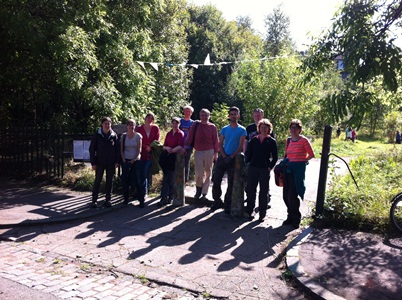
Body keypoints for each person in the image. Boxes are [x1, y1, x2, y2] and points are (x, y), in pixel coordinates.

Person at [211, 106, 246, 213]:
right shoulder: (224, 129)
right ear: (229, 116)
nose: (233, 116)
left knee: (231, 182)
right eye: (231, 114)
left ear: (238, 116)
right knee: (216, 180)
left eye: (235, 114)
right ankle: (217, 201)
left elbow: (241, 145)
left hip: (234, 159)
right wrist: (224, 156)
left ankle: (227, 204)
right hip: (223, 157)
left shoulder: (242, 130)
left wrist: (231, 157)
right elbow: (220, 144)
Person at [282, 119, 315, 229]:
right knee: (286, 195)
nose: (294, 129)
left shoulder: (304, 140)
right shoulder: (289, 140)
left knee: (293, 195)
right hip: (288, 170)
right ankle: (290, 215)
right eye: (292, 127)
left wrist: (302, 161)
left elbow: (311, 154)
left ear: (300, 129)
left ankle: (296, 218)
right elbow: (286, 155)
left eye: (296, 127)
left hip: (297, 172)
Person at [245, 119, 278, 222]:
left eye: (266, 127)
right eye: (262, 127)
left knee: (263, 192)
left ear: (269, 129)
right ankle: (250, 211)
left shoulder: (271, 141)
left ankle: (262, 213)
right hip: (253, 168)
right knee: (251, 190)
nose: (263, 129)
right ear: (259, 128)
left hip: (264, 169)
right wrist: (248, 163)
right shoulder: (254, 140)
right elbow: (248, 153)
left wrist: (270, 167)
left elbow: (275, 157)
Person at [185, 108, 219, 200]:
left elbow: (216, 140)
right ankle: (198, 190)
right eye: (202, 115)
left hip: (209, 151)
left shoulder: (212, 127)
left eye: (206, 115)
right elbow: (190, 136)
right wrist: (185, 146)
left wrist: (216, 153)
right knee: (198, 173)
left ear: (209, 116)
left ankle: (204, 193)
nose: (204, 117)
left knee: (208, 172)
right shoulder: (195, 125)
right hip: (198, 151)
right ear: (200, 116)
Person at [89, 117, 120, 208]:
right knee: (97, 181)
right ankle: (94, 200)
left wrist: (117, 161)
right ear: (102, 124)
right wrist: (93, 163)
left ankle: (108, 200)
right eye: (105, 123)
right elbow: (92, 149)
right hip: (99, 162)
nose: (107, 125)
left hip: (111, 162)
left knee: (109, 181)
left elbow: (117, 150)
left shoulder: (114, 136)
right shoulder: (97, 135)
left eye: (109, 124)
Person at [158, 117, 184, 206]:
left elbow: (180, 145)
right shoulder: (169, 133)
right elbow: (164, 146)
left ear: (179, 124)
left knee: (172, 178)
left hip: (175, 158)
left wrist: (172, 150)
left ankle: (171, 197)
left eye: (176, 123)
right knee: (166, 177)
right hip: (167, 158)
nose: (175, 125)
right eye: (173, 123)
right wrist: (168, 148)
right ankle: (164, 197)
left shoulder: (180, 133)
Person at [136, 112, 160, 207]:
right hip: (140, 154)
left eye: (152, 118)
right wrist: (145, 146)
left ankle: (143, 195)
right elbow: (138, 139)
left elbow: (157, 140)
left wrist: (151, 147)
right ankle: (142, 193)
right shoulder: (139, 128)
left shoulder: (155, 128)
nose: (150, 119)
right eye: (148, 117)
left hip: (151, 155)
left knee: (144, 174)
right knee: (140, 175)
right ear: (145, 118)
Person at [120, 119, 142, 205]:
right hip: (125, 160)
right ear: (127, 126)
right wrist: (123, 159)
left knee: (135, 179)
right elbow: (121, 149)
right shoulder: (123, 136)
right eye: (129, 125)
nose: (131, 127)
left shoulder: (138, 136)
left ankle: (139, 198)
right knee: (125, 180)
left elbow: (139, 149)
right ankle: (125, 198)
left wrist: (134, 159)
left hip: (135, 160)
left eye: (133, 125)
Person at [180, 105, 195, 182]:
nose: (187, 113)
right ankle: (178, 179)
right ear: (183, 112)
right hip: (179, 146)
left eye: (189, 111)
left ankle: (185, 180)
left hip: (188, 146)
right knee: (178, 163)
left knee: (186, 163)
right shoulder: (180, 121)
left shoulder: (193, 123)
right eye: (186, 111)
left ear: (191, 113)